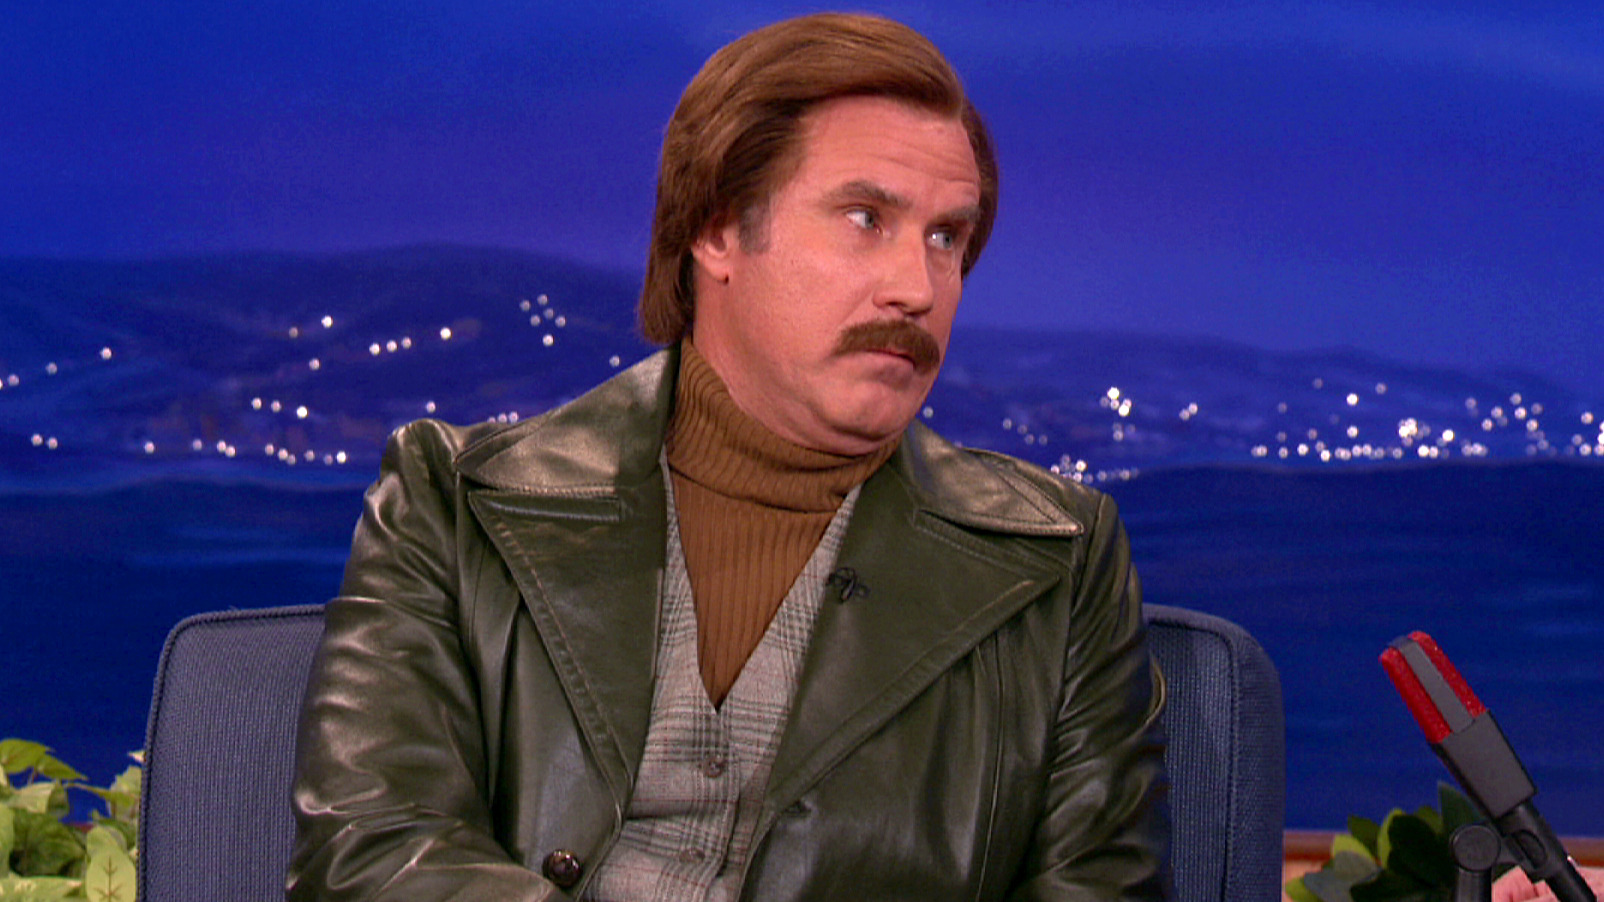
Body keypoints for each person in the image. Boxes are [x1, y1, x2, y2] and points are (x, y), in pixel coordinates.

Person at [288, 12, 1168, 901]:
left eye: (946, 238)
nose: (917, 286)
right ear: (716, 229)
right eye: (866, 219)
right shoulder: (453, 500)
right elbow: (372, 858)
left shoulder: (1062, 562)